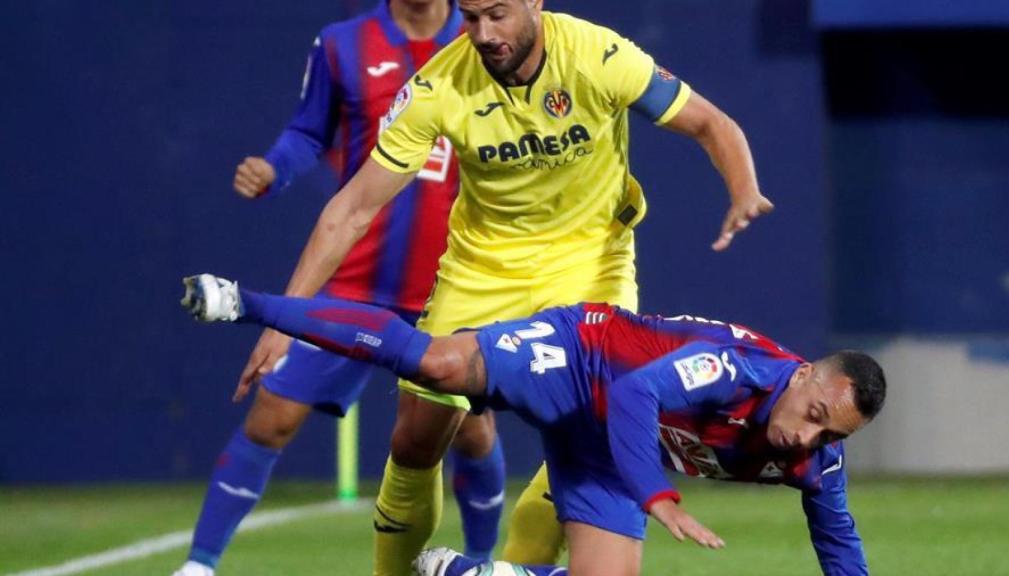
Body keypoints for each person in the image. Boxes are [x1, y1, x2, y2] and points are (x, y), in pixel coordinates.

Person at [235, 1, 775, 572]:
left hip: (590, 267)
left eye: (497, 15)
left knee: (590, 441)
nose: (483, 34)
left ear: (534, 3)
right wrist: (284, 319)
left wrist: (743, 189)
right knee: (414, 440)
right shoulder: (440, 84)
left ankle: (511, 567)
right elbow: (351, 209)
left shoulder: (598, 54)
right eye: (470, 17)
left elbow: (712, 124)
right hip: (482, 270)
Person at [181, 274, 886, 576]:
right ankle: (246, 303)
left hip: (609, 448)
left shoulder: (811, 463)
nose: (808, 437)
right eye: (815, 415)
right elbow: (640, 396)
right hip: (586, 359)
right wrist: (659, 497)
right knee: (436, 365)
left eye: (832, 437)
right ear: (803, 376)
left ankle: (466, 571)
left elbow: (840, 547)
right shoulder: (740, 368)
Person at [173, 3, 508, 576]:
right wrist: (276, 169)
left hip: (452, 283)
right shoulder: (343, 45)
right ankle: (199, 567)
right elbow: (309, 130)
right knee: (272, 414)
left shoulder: (486, 37)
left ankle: (481, 564)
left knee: (470, 432)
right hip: (354, 281)